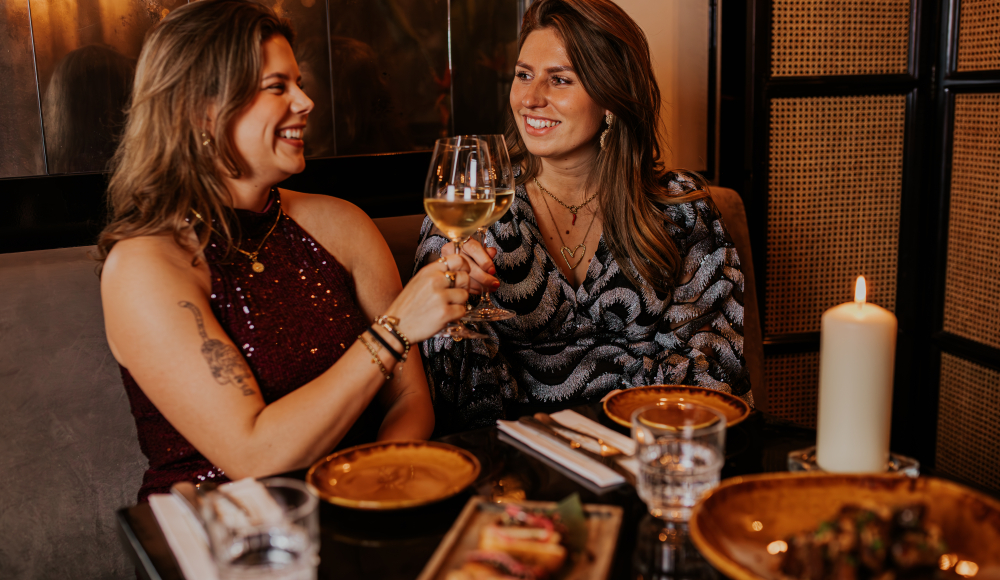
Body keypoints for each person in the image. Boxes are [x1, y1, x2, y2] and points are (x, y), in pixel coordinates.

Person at [97, 0, 490, 501]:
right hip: (227, 538)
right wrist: (393, 332)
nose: (305, 102)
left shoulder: (341, 223)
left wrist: (372, 492)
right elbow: (254, 455)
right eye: (277, 87)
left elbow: (412, 400)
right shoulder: (146, 266)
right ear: (200, 108)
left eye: (298, 83)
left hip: (363, 505)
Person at [416, 0, 752, 434]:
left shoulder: (679, 207)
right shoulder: (473, 211)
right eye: (523, 75)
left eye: (559, 79)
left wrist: (613, 431)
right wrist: (453, 310)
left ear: (610, 97)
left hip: (650, 447)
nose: (531, 98)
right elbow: (449, 386)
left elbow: (713, 365)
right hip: (516, 464)